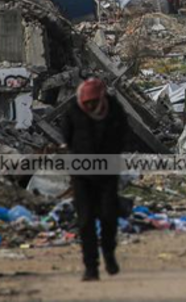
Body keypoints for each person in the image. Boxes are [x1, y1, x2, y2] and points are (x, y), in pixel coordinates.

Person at [62, 78, 128, 281]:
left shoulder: (113, 109)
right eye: (87, 102)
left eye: (93, 101)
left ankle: (108, 254)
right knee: (85, 221)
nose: (90, 105)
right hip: (82, 175)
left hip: (108, 173)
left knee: (109, 216)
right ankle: (91, 266)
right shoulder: (73, 109)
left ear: (101, 98)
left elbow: (124, 134)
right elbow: (67, 136)